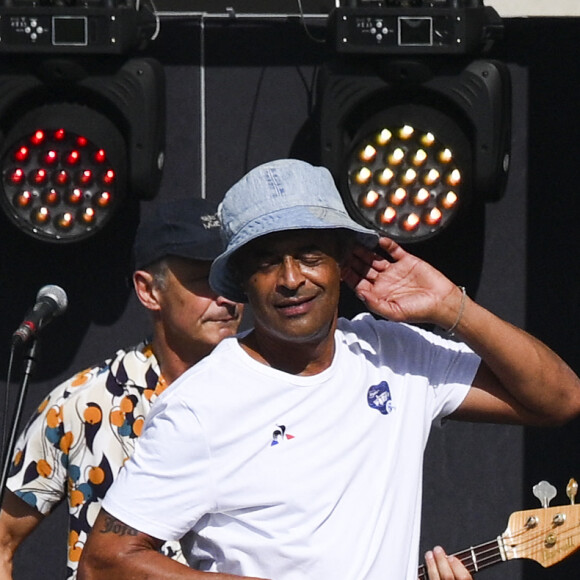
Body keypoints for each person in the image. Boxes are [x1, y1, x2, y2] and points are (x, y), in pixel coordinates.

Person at [78, 159, 580, 580]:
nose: (291, 278)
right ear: (243, 282)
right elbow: (104, 563)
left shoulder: (397, 354)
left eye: (309, 254)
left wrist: (453, 307)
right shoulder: (201, 405)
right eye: (268, 261)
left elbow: (559, 399)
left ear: (343, 261)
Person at [0, 197, 243, 579]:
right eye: (206, 280)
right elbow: (2, 541)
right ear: (149, 291)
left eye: (233, 277)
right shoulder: (81, 402)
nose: (227, 297)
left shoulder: (276, 393)